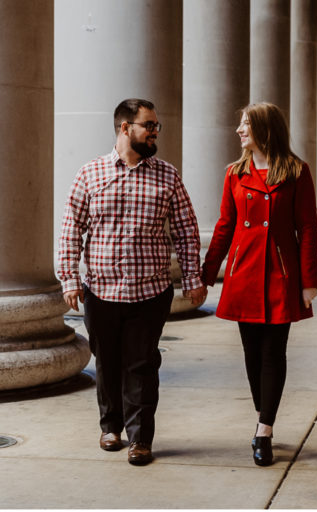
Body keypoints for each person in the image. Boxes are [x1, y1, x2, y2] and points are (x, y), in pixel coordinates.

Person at [57, 98, 206, 466]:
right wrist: (68, 279)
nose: (155, 132)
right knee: (106, 360)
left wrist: (192, 277)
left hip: (150, 291)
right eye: (149, 125)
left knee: (142, 363)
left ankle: (141, 439)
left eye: (157, 126)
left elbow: (187, 231)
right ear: (125, 128)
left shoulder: (168, 176)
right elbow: (71, 229)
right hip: (101, 290)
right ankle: (111, 426)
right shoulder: (89, 174)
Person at [201, 102, 317, 467]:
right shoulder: (234, 173)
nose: (239, 130)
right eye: (240, 124)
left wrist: (309, 281)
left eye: (246, 125)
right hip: (243, 274)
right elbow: (224, 225)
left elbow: (308, 227)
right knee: (252, 355)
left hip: (281, 275)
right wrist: (207, 273)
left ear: (265, 129)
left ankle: (264, 429)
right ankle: (263, 412)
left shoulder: (296, 172)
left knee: (273, 353)